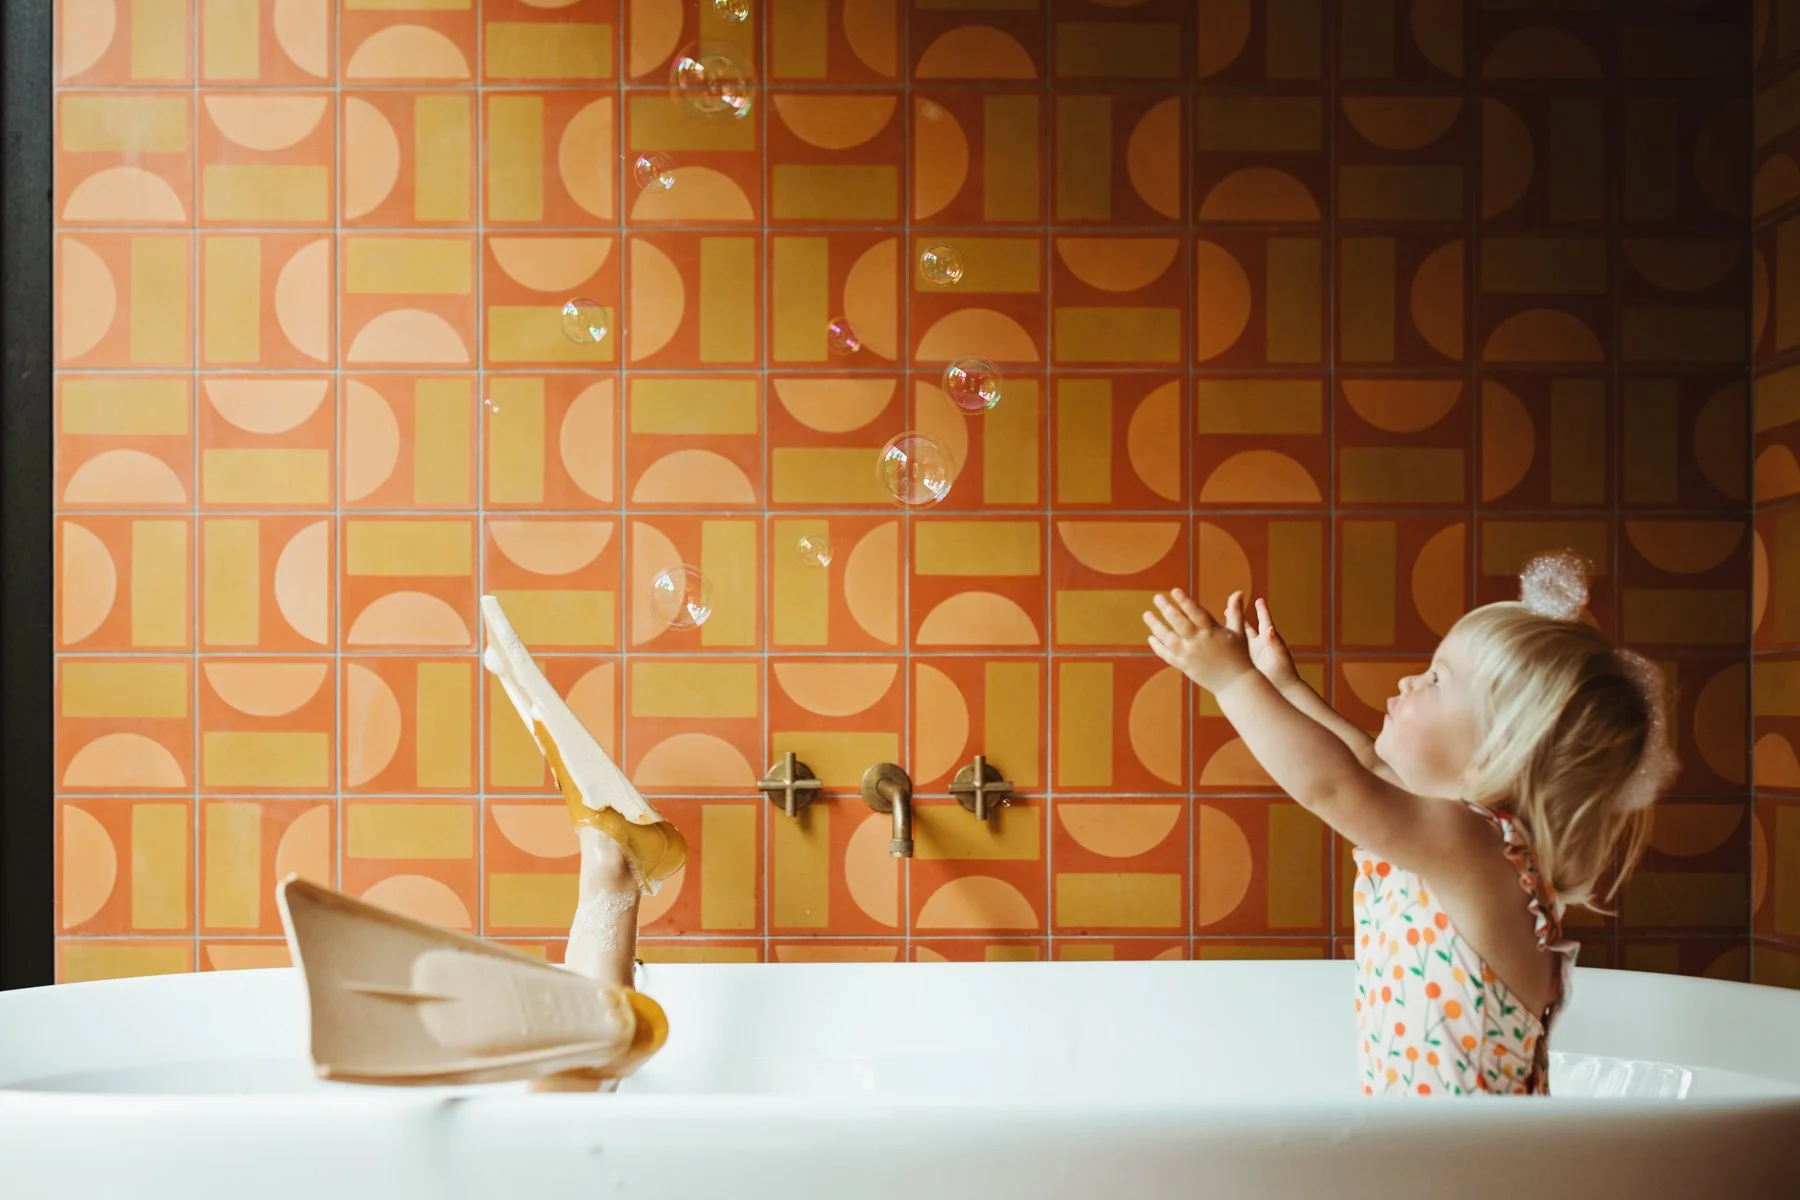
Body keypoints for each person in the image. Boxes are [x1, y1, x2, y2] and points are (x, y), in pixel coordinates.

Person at [1142, 551, 1677, 1096]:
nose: (1409, 681)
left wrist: (1232, 682)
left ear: (1500, 746)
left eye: (1438, 680)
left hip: (1466, 1169)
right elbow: (1365, 766)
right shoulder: (1452, 838)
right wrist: (1282, 685)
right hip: (1433, 1156)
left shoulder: (1478, 849)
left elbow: (1335, 785)